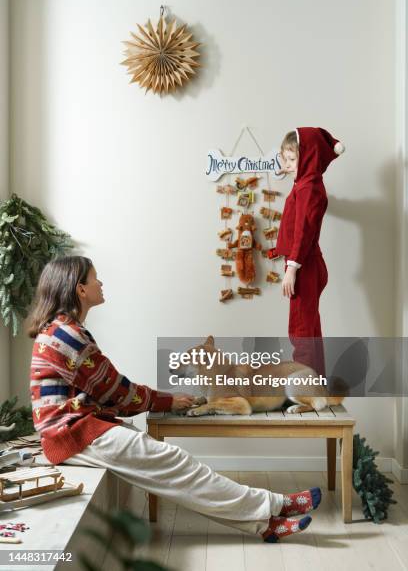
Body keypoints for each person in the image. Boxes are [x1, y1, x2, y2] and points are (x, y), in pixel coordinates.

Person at [28, 256, 322, 543]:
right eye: (95, 278)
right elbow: (117, 391)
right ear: (80, 289)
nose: (101, 283)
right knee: (177, 462)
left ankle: (264, 524)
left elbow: (106, 390)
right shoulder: (66, 335)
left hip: (82, 429)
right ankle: (276, 504)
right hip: (74, 434)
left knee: (175, 474)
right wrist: (167, 401)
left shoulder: (64, 330)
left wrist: (163, 400)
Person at [270, 127, 345, 377]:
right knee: (310, 330)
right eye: (285, 159)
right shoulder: (307, 183)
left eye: (292, 160)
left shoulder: (307, 188)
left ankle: (303, 389)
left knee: (301, 332)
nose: (287, 164)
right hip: (308, 263)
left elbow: (303, 229)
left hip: (304, 266)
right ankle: (316, 386)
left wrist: (292, 268)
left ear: (309, 158)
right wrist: (291, 171)